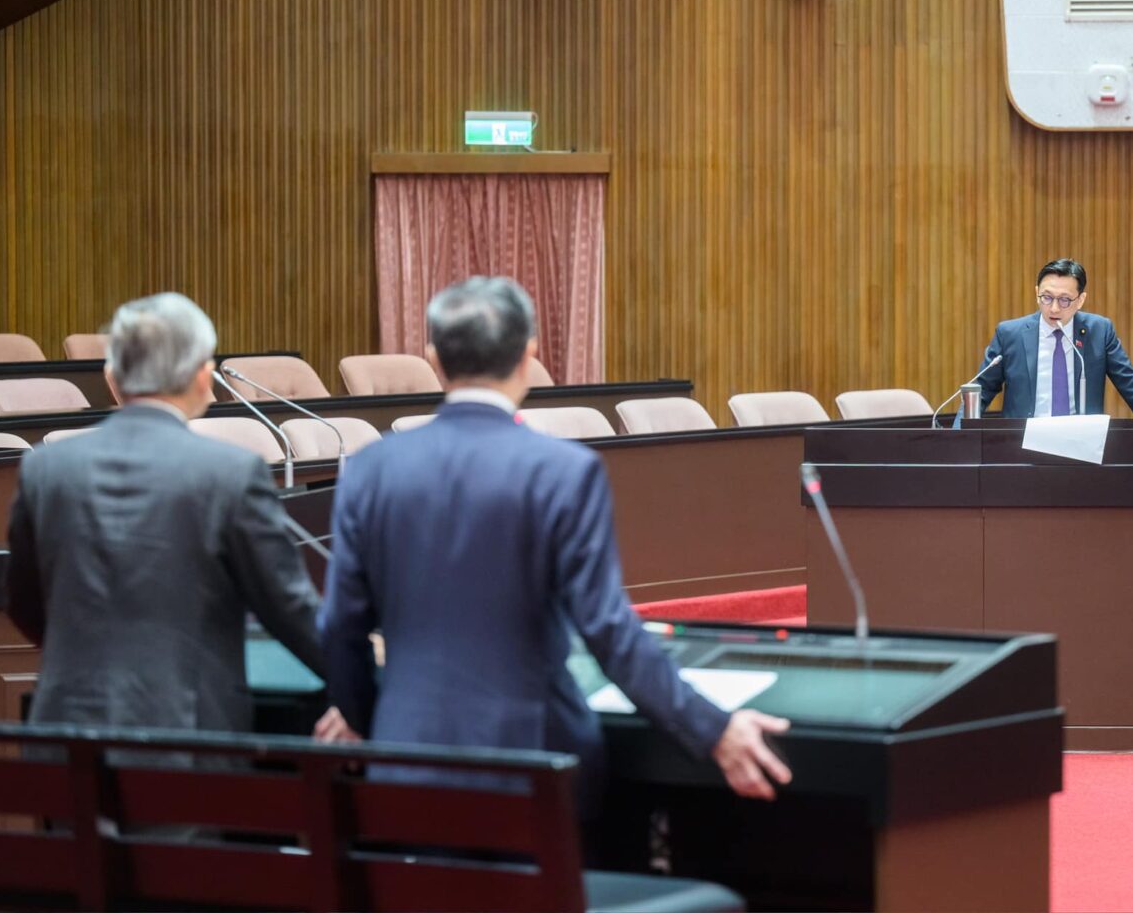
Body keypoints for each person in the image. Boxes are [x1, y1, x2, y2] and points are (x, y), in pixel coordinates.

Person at [318, 276, 792, 814]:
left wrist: (362, 718)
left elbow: (340, 627)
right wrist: (712, 728)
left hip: (404, 762)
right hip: (536, 766)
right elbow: (608, 631)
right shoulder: (563, 470)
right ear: (529, 355)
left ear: (434, 360)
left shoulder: (370, 470)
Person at [4, 292, 348, 740]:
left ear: (113, 376)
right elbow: (287, 608)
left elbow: (24, 603)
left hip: (67, 724)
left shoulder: (45, 467)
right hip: (186, 731)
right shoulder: (229, 472)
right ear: (201, 376)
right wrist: (360, 687)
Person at [974, 258, 1133, 418]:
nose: (1054, 308)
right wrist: (961, 434)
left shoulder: (1099, 331)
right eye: (1047, 297)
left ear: (1080, 300)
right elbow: (981, 390)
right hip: (1022, 442)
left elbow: (1131, 386)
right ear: (1037, 293)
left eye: (1064, 300)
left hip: (1081, 443)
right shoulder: (1010, 334)